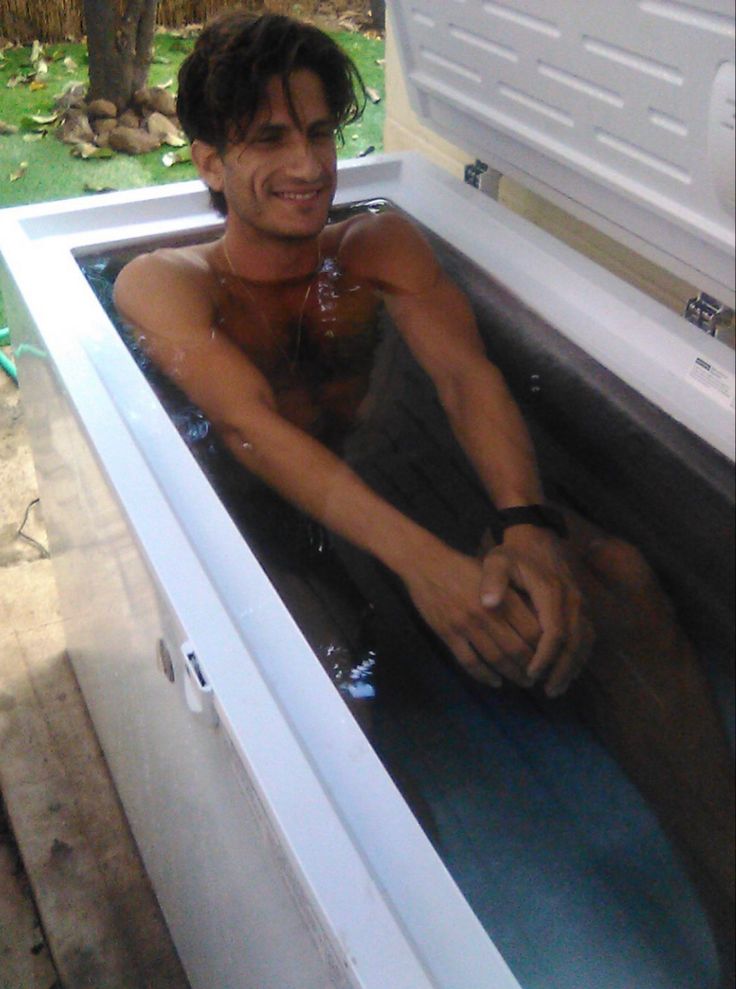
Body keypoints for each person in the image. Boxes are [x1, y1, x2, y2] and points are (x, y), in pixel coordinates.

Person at [114, 11, 734, 980]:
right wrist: (430, 569)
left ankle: (728, 897)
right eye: (269, 138)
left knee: (613, 572)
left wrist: (522, 527)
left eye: (319, 132)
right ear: (207, 161)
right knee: (313, 681)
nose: (309, 163)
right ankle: (400, 944)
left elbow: (465, 380)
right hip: (276, 529)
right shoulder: (168, 282)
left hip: (392, 487)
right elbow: (251, 431)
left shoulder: (379, 247)